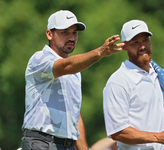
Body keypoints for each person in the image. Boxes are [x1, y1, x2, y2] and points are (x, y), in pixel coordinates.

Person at [21, 10, 124, 150]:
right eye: (65, 32)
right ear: (49, 34)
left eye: (74, 33)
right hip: (41, 142)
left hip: (67, 145)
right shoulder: (39, 59)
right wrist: (100, 52)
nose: (71, 37)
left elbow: (74, 114)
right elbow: (66, 66)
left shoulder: (75, 72)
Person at [103, 20, 164, 150]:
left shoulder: (163, 76)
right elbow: (118, 132)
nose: (142, 46)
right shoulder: (118, 81)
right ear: (124, 46)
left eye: (145, 40)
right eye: (135, 42)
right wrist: (158, 137)